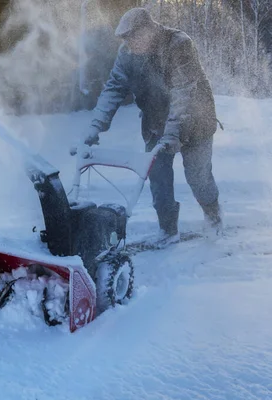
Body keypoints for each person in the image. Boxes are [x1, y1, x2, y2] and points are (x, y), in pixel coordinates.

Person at [80, 7, 223, 245]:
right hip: (157, 123)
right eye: (125, 39)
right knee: (158, 178)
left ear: (149, 30)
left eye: (133, 37)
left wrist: (173, 132)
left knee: (198, 176)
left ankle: (214, 217)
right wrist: (96, 126)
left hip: (196, 121)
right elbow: (114, 88)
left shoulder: (178, 44)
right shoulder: (127, 54)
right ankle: (168, 230)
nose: (129, 43)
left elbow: (183, 92)